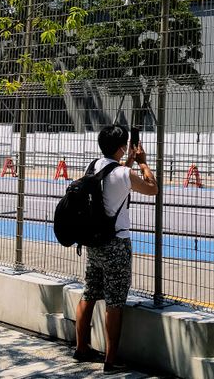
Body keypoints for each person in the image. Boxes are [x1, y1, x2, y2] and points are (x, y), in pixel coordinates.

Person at [73, 124, 157, 373]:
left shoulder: (93, 166)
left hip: (94, 242)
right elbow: (152, 188)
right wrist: (142, 162)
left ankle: (81, 348)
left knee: (89, 293)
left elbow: (114, 184)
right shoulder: (124, 173)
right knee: (114, 301)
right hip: (116, 244)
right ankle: (110, 360)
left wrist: (126, 162)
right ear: (122, 147)